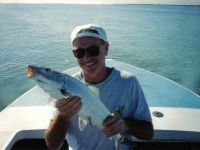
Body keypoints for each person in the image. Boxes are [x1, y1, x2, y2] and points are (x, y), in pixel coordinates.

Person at [45, 24, 154, 150]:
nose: (86, 58)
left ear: (106, 48)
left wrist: (125, 125)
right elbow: (52, 145)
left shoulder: (128, 82)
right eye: (79, 52)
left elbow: (148, 133)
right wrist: (63, 115)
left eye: (93, 50)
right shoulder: (64, 87)